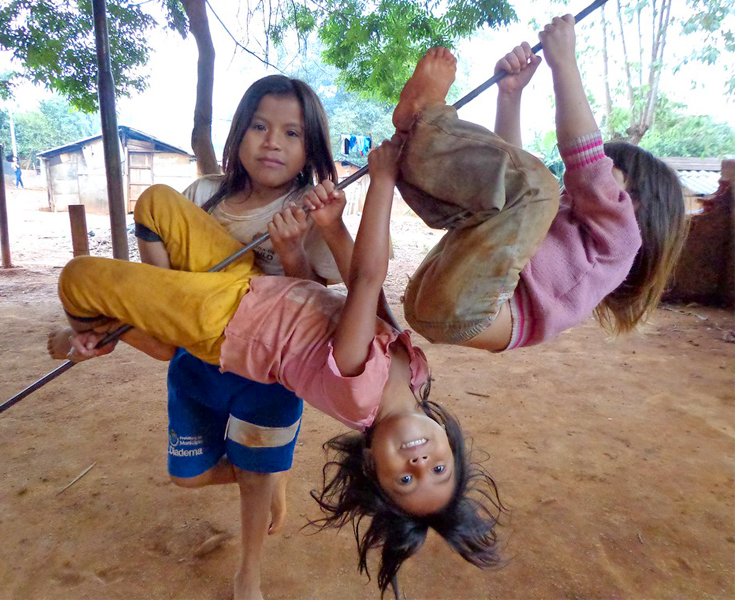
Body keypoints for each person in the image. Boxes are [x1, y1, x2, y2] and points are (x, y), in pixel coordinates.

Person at [53, 137, 504, 595]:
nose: (421, 461)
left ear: (372, 466)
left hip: (227, 322)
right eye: (439, 470)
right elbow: (355, 294)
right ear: (450, 445)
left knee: (78, 279)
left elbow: (368, 279)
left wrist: (382, 180)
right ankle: (161, 321)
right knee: (156, 204)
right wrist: (330, 227)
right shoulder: (416, 375)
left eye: (406, 479)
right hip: (249, 283)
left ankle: (111, 333)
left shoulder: (359, 390)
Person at [49, 74, 343, 600]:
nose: (272, 141)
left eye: (292, 133)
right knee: (187, 475)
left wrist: (294, 251)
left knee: (255, 473)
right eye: (260, 126)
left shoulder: (310, 209)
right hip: (199, 340)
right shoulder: (205, 194)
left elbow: (316, 309)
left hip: (264, 362)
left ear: (310, 148)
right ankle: (265, 465)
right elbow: (165, 280)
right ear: (239, 134)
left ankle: (248, 570)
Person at [394, 16, 686, 353]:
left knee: (537, 188)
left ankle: (423, 120)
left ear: (639, 202)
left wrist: (563, 62)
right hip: (445, 293)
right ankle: (412, 144)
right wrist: (510, 96)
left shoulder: (622, 240)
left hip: (470, 309)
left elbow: (584, 159)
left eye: (612, 172)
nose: (599, 179)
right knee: (514, 190)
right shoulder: (576, 227)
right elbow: (507, 182)